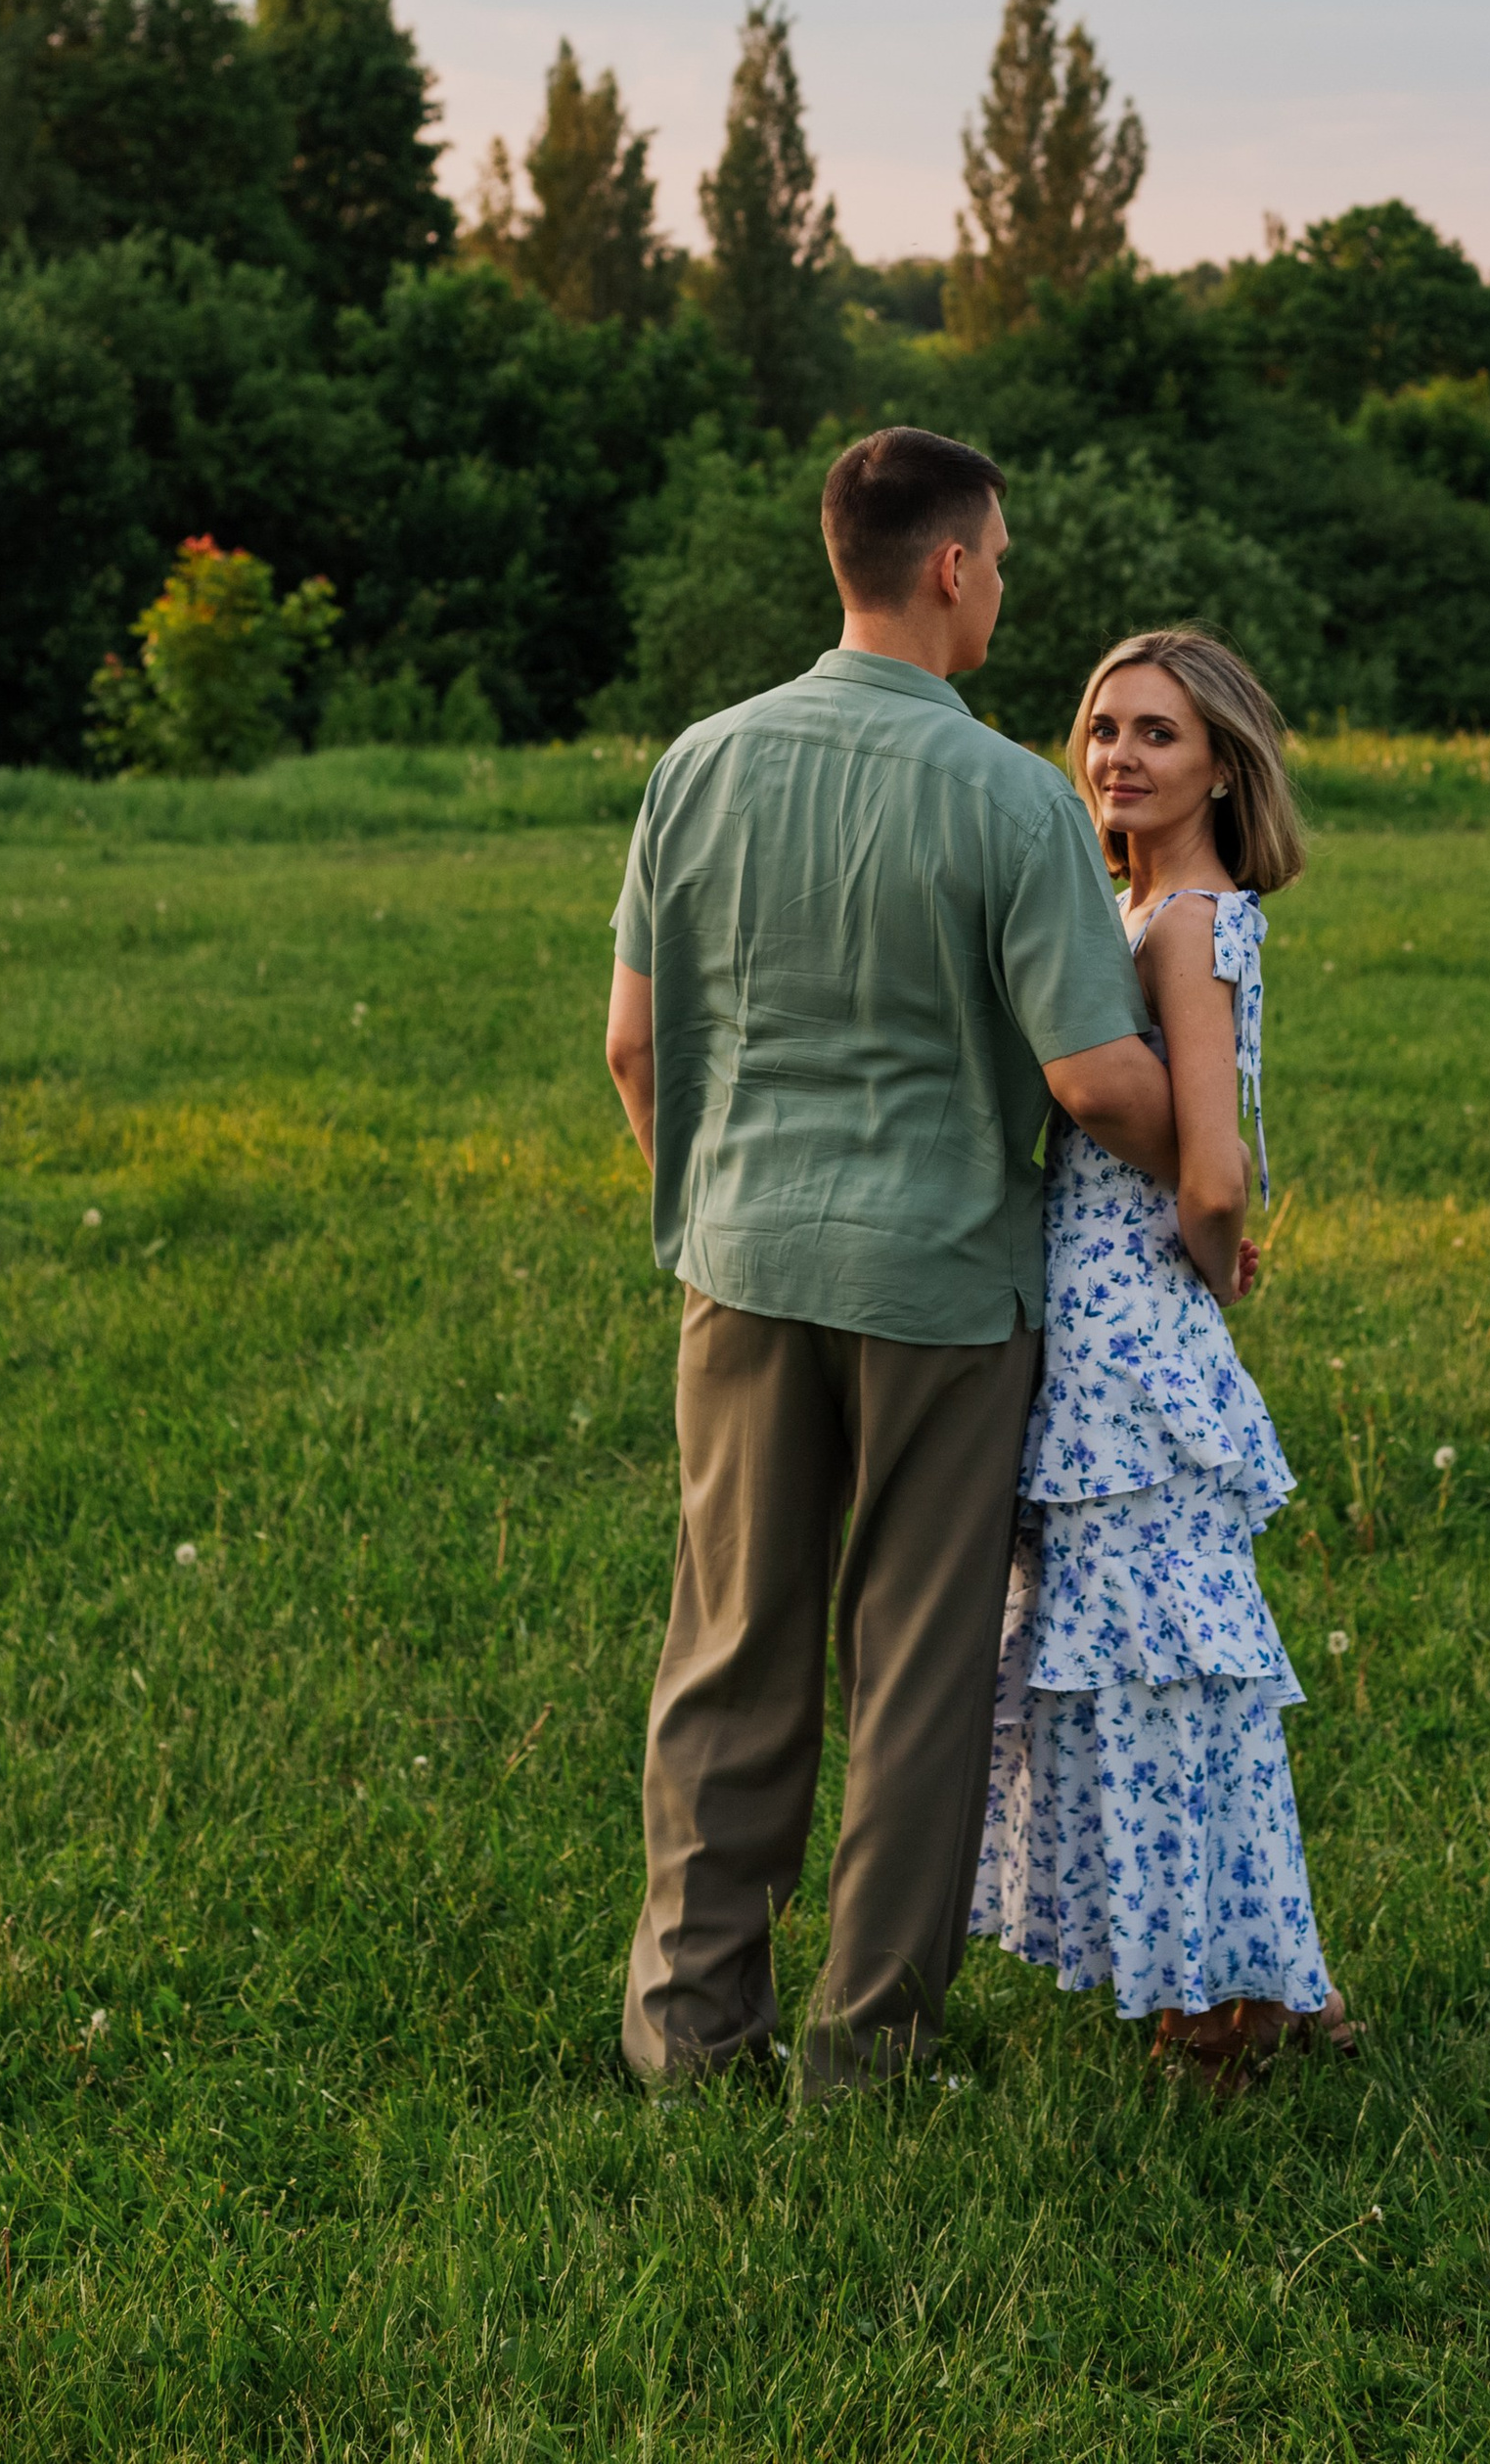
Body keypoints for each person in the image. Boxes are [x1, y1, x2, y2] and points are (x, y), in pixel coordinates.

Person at [605, 427, 1178, 2092]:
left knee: (729, 1645)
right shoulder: (1012, 794)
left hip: (742, 1266)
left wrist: (721, 1206)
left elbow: (635, 1048)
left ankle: (689, 2035)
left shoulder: (696, 765)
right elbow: (1089, 1077)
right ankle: (869, 2053)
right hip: (942, 1289)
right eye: (997, 558)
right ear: (949, 567)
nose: (1001, 586)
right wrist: (1209, 1159)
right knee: (919, 1670)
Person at [970, 624, 1356, 2087]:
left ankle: (1226, 2002)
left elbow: (1210, 1171)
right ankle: (1242, 1970)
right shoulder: (1141, 908)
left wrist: (1211, 1272)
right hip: (1108, 1327)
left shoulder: (1189, 917)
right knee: (1154, 1668)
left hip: (1133, 1351)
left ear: (1220, 765)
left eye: (1157, 735)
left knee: (1164, 1676)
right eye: (1103, 727)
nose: (1118, 757)